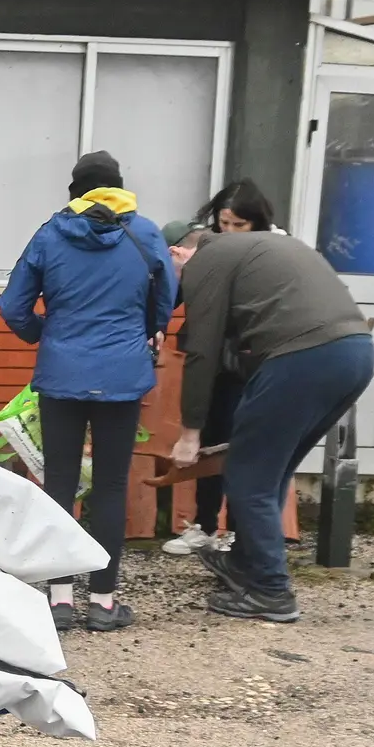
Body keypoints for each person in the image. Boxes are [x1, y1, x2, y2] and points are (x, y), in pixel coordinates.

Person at [0, 151, 175, 633]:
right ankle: (103, 601)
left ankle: (59, 603)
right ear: (119, 188)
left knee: (59, 482)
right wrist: (145, 331)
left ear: (75, 191)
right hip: (123, 376)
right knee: (112, 486)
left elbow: (13, 305)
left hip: (62, 374)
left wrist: (45, 336)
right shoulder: (146, 234)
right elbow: (166, 300)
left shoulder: (51, 233)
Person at [171, 227, 374, 623]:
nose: (176, 289)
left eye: (170, 272)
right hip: (356, 351)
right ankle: (247, 565)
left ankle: (270, 592)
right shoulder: (262, 246)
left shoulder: (206, 260)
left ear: (178, 252)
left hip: (303, 356)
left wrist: (190, 432)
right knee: (272, 470)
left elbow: (202, 350)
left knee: (249, 480)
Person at [161, 180, 281, 557]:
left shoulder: (274, 250)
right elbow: (176, 296)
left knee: (245, 446)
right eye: (223, 223)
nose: (228, 232)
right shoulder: (208, 248)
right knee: (209, 440)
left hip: (253, 362)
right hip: (213, 360)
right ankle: (205, 525)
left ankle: (244, 535)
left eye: (238, 225)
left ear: (256, 223)